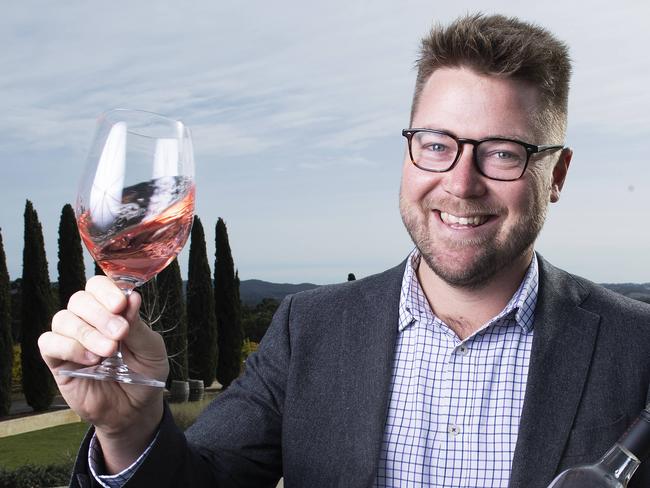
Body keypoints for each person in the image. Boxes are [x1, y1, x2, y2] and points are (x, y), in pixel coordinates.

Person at [39, 13, 650, 488]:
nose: (461, 183)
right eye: (437, 144)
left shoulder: (637, 348)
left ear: (558, 174)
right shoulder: (309, 329)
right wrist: (129, 428)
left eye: (502, 152)